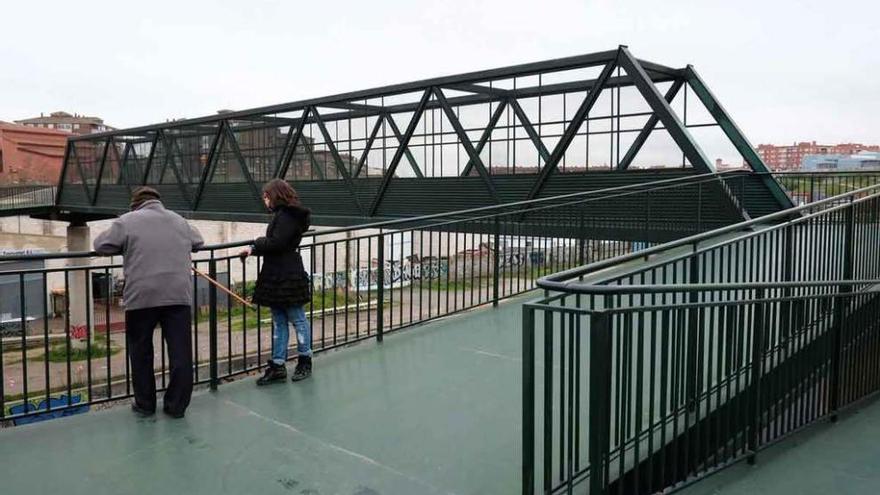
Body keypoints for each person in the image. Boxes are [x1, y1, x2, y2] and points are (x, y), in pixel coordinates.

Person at [93, 187, 204, 418]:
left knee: (141, 351)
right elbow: (198, 241)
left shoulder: (127, 221)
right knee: (180, 352)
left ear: (135, 204)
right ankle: (176, 406)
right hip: (177, 295)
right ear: (158, 201)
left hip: (141, 297)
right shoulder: (179, 220)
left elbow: (100, 245)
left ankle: (145, 404)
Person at [240, 179, 313, 385]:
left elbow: (277, 243)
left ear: (275, 195)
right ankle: (278, 365)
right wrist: (255, 248)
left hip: (285, 274)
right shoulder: (286, 214)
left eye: (266, 196)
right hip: (281, 273)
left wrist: (256, 244)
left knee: (296, 318)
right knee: (280, 319)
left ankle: (304, 361)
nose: (264, 200)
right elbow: (277, 243)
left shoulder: (287, 216)